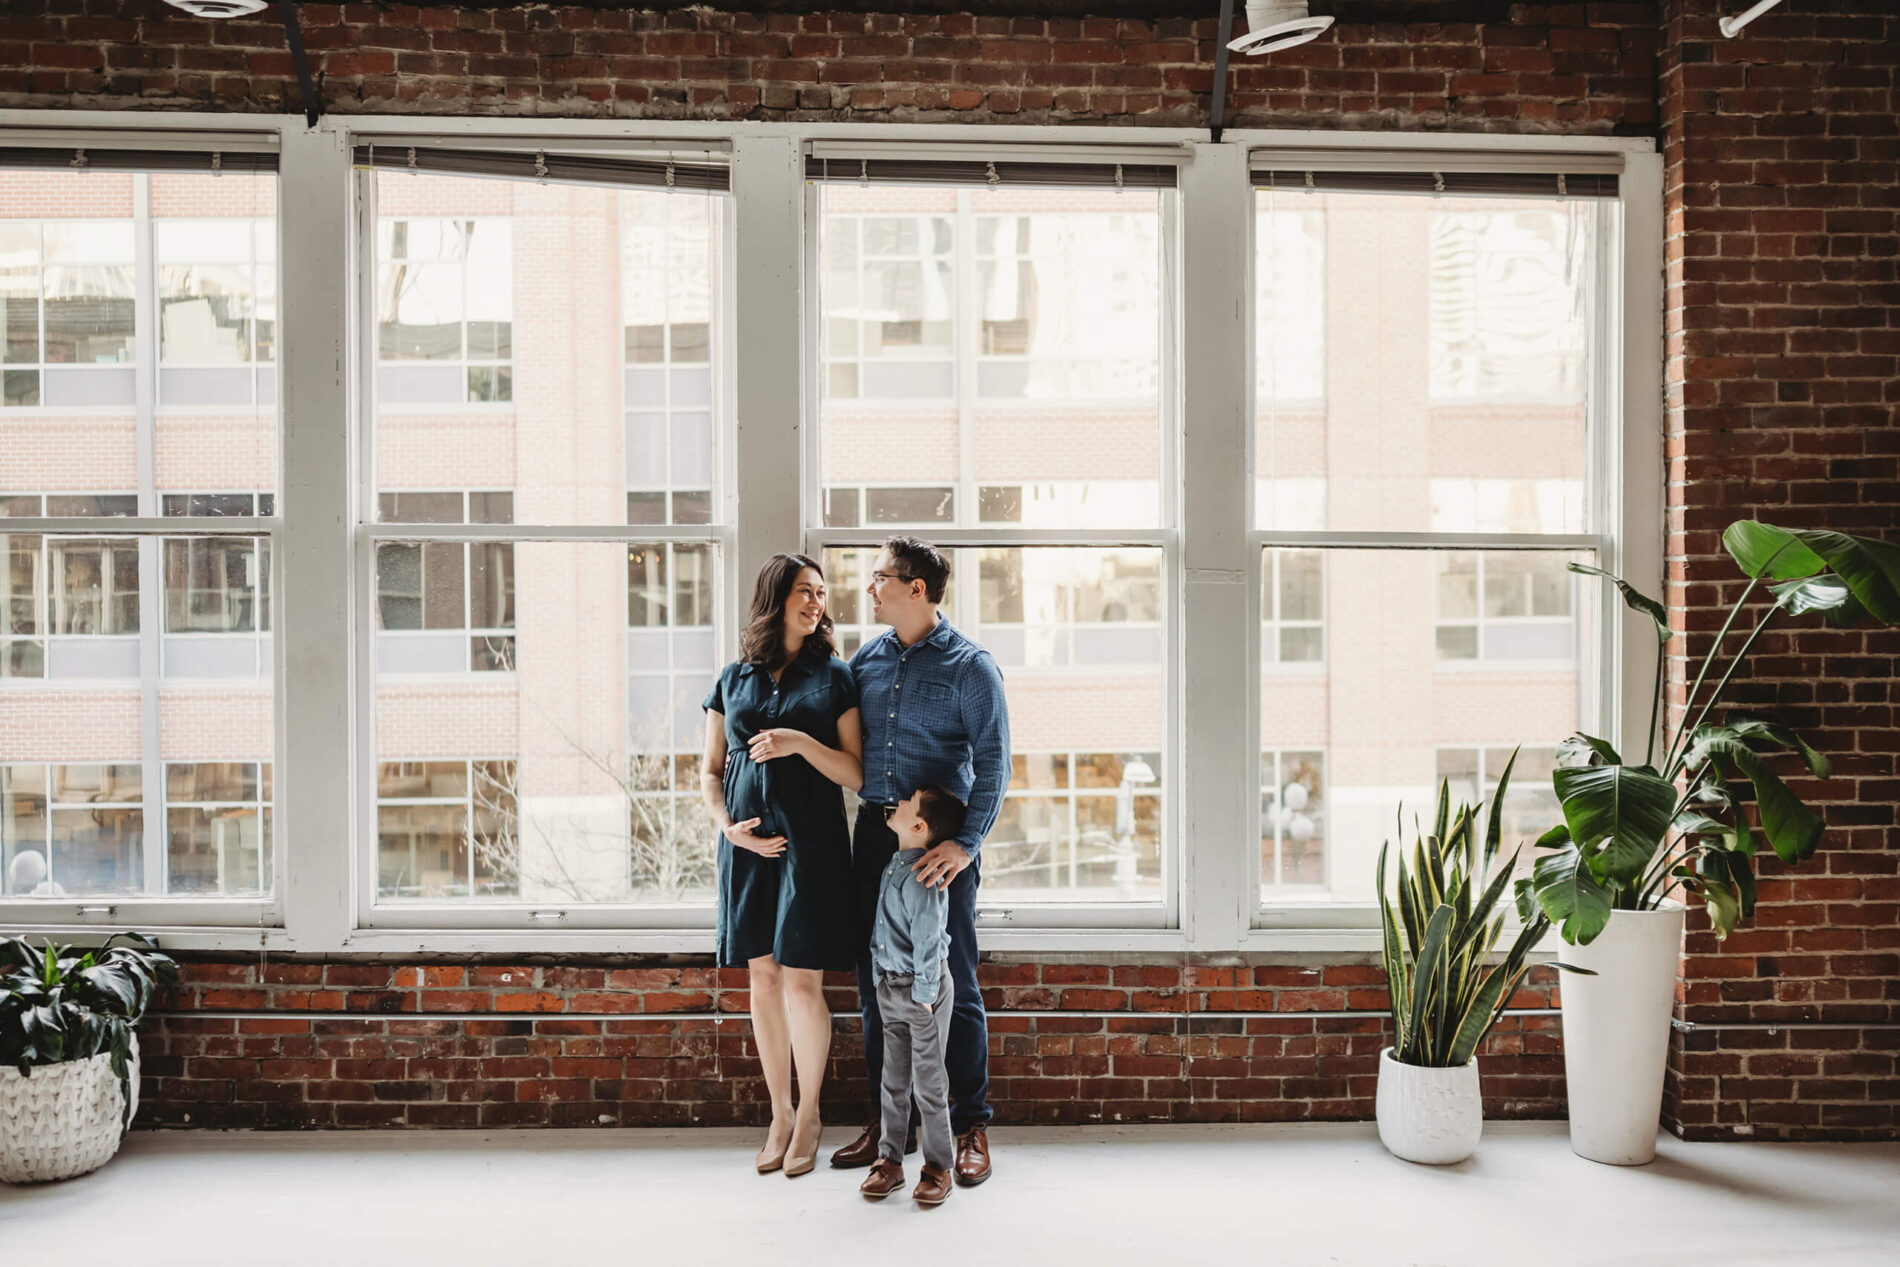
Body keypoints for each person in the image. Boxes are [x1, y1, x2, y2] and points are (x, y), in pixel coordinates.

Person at [830, 536, 1010, 1188]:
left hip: (940, 849)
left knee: (948, 981)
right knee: (877, 984)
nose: (869, 585)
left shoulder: (970, 667)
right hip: (875, 839)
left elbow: (995, 762)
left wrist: (966, 845)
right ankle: (892, 1129)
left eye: (880, 575)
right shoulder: (866, 662)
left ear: (916, 588)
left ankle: (970, 1126)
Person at [701, 553, 862, 1178]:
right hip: (746, 849)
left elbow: (857, 773)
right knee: (762, 980)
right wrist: (727, 830)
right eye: (803, 590)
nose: (815, 602)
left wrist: (799, 742)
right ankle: (780, 1112)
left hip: (812, 848)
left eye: (821, 592)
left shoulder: (835, 677)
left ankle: (814, 1111)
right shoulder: (732, 678)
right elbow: (710, 774)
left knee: (802, 982)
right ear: (776, 596)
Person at [857, 784, 967, 1207]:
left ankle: (939, 1166)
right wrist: (879, 980)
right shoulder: (895, 865)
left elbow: (928, 940)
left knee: (929, 1085)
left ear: (918, 825)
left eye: (906, 804)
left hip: (922, 993)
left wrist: (923, 995)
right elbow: (882, 935)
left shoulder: (922, 876)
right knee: (893, 1081)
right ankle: (890, 1159)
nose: (897, 804)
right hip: (891, 988)